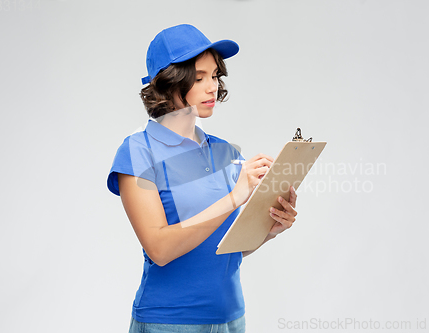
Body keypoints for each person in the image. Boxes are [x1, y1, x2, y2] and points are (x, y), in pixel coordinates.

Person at [107, 24, 298, 333]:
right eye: (199, 78)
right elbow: (160, 249)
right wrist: (236, 196)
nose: (212, 87)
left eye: (214, 76)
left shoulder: (224, 151)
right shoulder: (138, 152)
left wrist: (270, 229)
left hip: (231, 319)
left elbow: (225, 247)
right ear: (169, 84)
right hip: (169, 323)